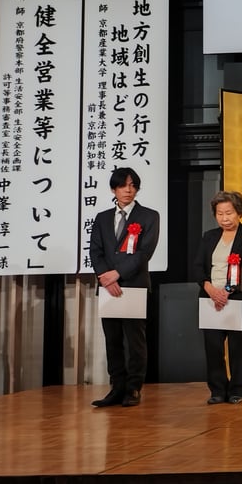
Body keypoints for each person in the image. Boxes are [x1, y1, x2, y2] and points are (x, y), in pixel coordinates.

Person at [90, 167, 160, 408]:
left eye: (132, 185)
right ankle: (116, 388)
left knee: (135, 341)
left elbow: (144, 252)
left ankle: (133, 388)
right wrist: (105, 278)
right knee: (113, 340)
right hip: (108, 288)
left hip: (134, 286)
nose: (128, 190)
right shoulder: (102, 218)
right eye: (123, 185)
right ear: (114, 189)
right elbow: (96, 251)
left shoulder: (149, 216)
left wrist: (117, 274)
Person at [192, 190, 242, 405]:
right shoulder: (209, 236)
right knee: (213, 347)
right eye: (220, 214)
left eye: (229, 213)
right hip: (210, 299)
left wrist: (228, 290)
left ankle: (238, 389)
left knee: (239, 347)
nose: (224, 218)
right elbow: (198, 266)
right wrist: (209, 287)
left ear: (239, 213)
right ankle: (217, 390)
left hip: (238, 298)